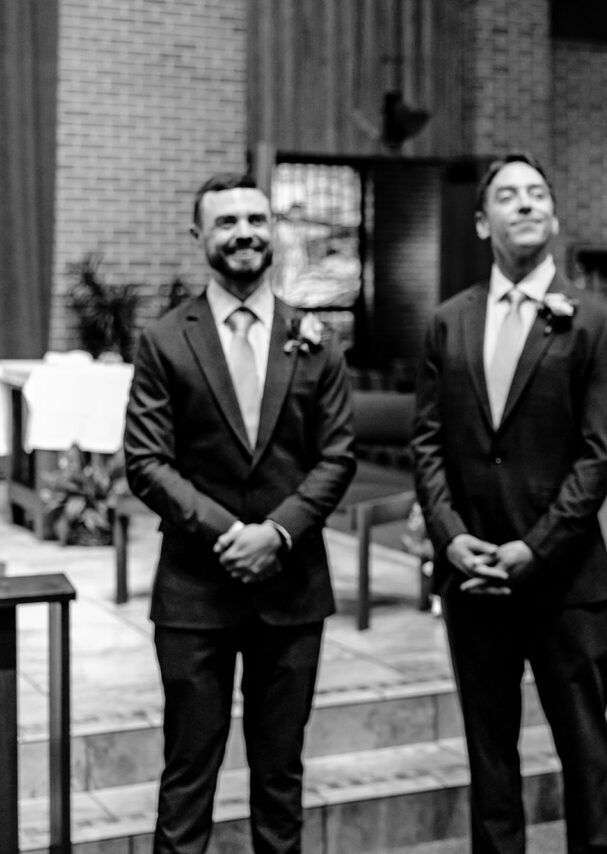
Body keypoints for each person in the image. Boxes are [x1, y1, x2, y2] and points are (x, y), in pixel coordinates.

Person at [124, 173, 356, 853]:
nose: (245, 232)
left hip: (293, 591)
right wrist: (234, 535)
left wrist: (278, 533)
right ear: (200, 236)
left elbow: (337, 456)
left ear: (274, 230)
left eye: (257, 219)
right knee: (188, 777)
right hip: (196, 592)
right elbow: (145, 460)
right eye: (226, 222)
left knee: (281, 777)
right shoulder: (166, 339)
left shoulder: (316, 337)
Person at [410, 152, 607, 854]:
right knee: (490, 757)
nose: (526, 204)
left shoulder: (594, 321)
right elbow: (428, 444)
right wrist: (449, 536)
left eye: (537, 194)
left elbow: (600, 456)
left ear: (555, 217)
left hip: (566, 581)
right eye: (508, 196)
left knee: (586, 755)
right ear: (482, 221)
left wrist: (535, 546)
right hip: (473, 579)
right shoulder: (448, 323)